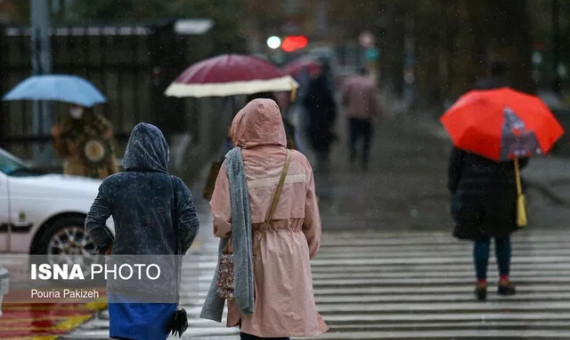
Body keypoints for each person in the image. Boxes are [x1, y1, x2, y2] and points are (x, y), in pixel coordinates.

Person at [201, 99, 328, 339]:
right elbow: (312, 221)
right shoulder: (298, 162)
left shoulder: (233, 163)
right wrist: (302, 249)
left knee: (253, 322)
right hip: (291, 251)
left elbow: (220, 221)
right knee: (283, 323)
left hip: (251, 252)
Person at [85, 123, 199, 340]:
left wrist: (109, 246)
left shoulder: (113, 185)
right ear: (162, 150)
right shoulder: (174, 186)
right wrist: (176, 250)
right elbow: (190, 226)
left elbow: (93, 223)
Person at [448, 62, 523, 301]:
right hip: (503, 188)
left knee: (481, 237)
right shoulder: (511, 125)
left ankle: (481, 283)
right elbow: (521, 161)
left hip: (473, 190)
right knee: (502, 235)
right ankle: (504, 279)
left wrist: (455, 187)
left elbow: (455, 162)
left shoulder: (469, 124)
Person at [51, 104, 119, 178]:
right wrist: (57, 137)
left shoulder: (97, 122)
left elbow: (108, 150)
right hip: (76, 169)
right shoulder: (65, 125)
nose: (76, 109)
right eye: (73, 106)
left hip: (99, 167)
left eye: (77, 106)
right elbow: (62, 151)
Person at [341, 68, 381, 169]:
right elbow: (374, 101)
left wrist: (347, 106)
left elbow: (344, 98)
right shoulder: (370, 84)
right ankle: (364, 159)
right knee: (366, 139)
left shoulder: (349, 82)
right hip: (366, 116)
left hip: (352, 115)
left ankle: (353, 152)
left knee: (353, 136)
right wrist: (377, 113)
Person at [303, 62, 337, 171]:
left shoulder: (311, 91)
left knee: (316, 139)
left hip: (314, 121)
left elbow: (305, 103)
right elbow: (332, 106)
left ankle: (320, 155)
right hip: (324, 121)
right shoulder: (326, 91)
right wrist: (332, 119)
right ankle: (324, 155)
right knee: (324, 140)